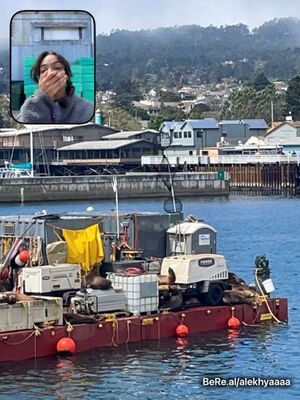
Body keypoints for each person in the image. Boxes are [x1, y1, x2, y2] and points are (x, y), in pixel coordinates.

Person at [17, 51, 94, 124]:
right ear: (39, 79)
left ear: (66, 75)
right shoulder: (30, 106)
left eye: (57, 68)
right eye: (43, 70)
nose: (50, 73)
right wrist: (42, 98)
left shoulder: (87, 109)